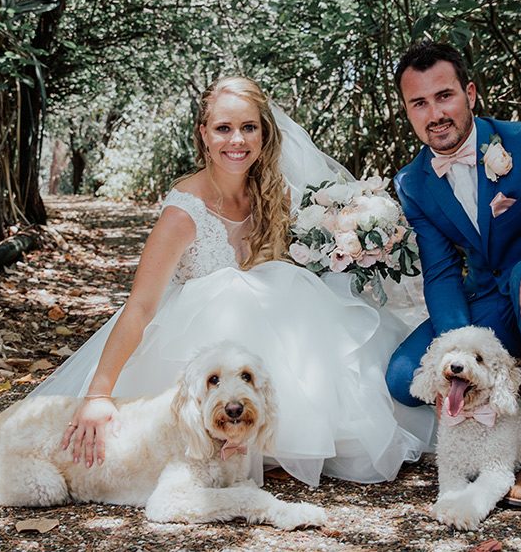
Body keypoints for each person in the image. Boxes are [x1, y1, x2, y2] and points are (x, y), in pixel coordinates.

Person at [31, 76, 433, 487]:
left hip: (272, 333)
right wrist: (99, 396)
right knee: (239, 298)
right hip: (197, 336)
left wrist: (349, 242)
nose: (236, 140)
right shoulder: (182, 215)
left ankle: (283, 438)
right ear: (203, 134)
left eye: (248, 127)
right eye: (223, 128)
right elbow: (140, 308)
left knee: (306, 299)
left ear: (264, 132)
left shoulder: (274, 192)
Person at [385, 41, 521, 507]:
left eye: (444, 96)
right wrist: (459, 354)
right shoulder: (413, 181)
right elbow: (443, 272)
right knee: (403, 377)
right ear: (408, 111)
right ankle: (516, 386)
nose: (435, 113)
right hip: (492, 299)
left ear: (470, 93)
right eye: (419, 103)